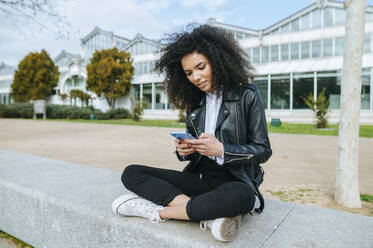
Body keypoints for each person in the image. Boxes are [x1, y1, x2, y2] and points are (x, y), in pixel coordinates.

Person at [111, 24, 272, 242]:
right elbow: (192, 150)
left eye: (201, 67)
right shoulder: (194, 105)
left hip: (236, 181)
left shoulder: (247, 95)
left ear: (217, 60)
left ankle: (159, 212)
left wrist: (222, 150)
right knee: (131, 173)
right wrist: (184, 150)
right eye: (188, 73)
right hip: (200, 180)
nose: (195, 77)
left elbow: (263, 150)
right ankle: (207, 215)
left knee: (243, 197)